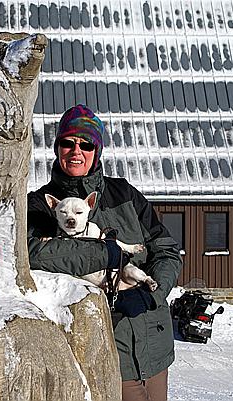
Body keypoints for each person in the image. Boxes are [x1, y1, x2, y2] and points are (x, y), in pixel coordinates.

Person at [27, 104, 183, 401]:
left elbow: (166, 250)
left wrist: (154, 293)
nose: (76, 151)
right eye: (67, 143)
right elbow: (34, 255)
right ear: (57, 147)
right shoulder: (39, 205)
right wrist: (106, 254)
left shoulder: (124, 196)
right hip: (97, 352)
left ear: (96, 151)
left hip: (153, 346)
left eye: (86, 144)